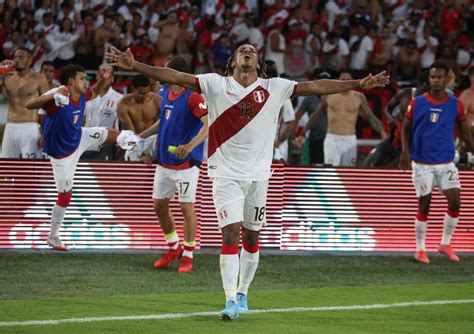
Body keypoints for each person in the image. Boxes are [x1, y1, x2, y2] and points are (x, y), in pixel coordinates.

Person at [106, 44, 389, 320]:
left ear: (258, 63)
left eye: (252, 51)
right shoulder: (215, 84)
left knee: (252, 237)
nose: (247, 52)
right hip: (225, 174)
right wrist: (136, 67)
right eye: (242, 49)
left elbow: (317, 85)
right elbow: (175, 76)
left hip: (258, 176)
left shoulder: (274, 88)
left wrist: (359, 83)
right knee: (229, 235)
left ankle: (243, 292)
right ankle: (229, 299)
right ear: (232, 62)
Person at [25, 64, 140, 251]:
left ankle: (138, 143)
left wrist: (103, 79)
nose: (85, 82)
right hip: (62, 155)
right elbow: (29, 105)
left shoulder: (81, 95)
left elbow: (94, 92)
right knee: (65, 197)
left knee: (111, 134)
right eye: (81, 78)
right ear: (70, 81)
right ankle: (53, 236)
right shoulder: (58, 94)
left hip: (79, 137)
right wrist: (52, 97)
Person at [139, 56, 208, 273]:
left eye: (166, 71)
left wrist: (190, 145)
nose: (162, 75)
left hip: (187, 162)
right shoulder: (165, 95)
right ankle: (174, 247)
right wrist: (141, 136)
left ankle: (188, 255)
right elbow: (164, 122)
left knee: (186, 207)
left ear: (176, 74)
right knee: (159, 206)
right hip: (164, 161)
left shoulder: (194, 97)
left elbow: (209, 125)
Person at [400, 62, 474, 265]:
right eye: (432, 77)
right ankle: (420, 249)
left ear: (446, 79)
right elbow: (405, 128)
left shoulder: (455, 104)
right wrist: (405, 152)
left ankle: (445, 244)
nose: (435, 80)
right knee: (424, 204)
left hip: (446, 162)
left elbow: (465, 131)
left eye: (439, 77)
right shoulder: (418, 102)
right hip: (422, 162)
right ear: (428, 79)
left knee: (456, 201)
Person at [305, 70, 387, 166]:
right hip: (332, 140)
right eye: (343, 79)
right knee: (330, 172)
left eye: (348, 79)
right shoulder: (329, 96)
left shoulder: (359, 97)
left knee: (348, 172)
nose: (345, 81)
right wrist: (304, 132)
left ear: (352, 81)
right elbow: (316, 114)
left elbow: (370, 116)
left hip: (350, 139)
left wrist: (382, 132)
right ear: (338, 81)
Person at [0, 47, 49, 158]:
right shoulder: (7, 77)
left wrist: (45, 132)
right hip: (10, 127)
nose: (17, 60)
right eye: (15, 57)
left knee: (30, 169)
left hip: (30, 128)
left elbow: (47, 106)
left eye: (21, 57)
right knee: (7, 169)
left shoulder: (39, 78)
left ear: (30, 60)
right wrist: (0, 71)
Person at [82, 64, 123, 160]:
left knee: (102, 173)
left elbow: (123, 125)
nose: (104, 79)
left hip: (107, 143)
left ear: (112, 78)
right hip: (86, 141)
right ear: (96, 76)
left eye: (107, 77)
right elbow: (81, 120)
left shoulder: (120, 99)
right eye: (101, 76)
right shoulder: (85, 97)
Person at [118, 74, 161, 161]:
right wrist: (141, 153)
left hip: (152, 141)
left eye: (147, 92)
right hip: (134, 141)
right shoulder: (123, 104)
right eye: (141, 94)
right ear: (133, 89)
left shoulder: (157, 100)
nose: (145, 96)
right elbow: (129, 133)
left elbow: (165, 123)